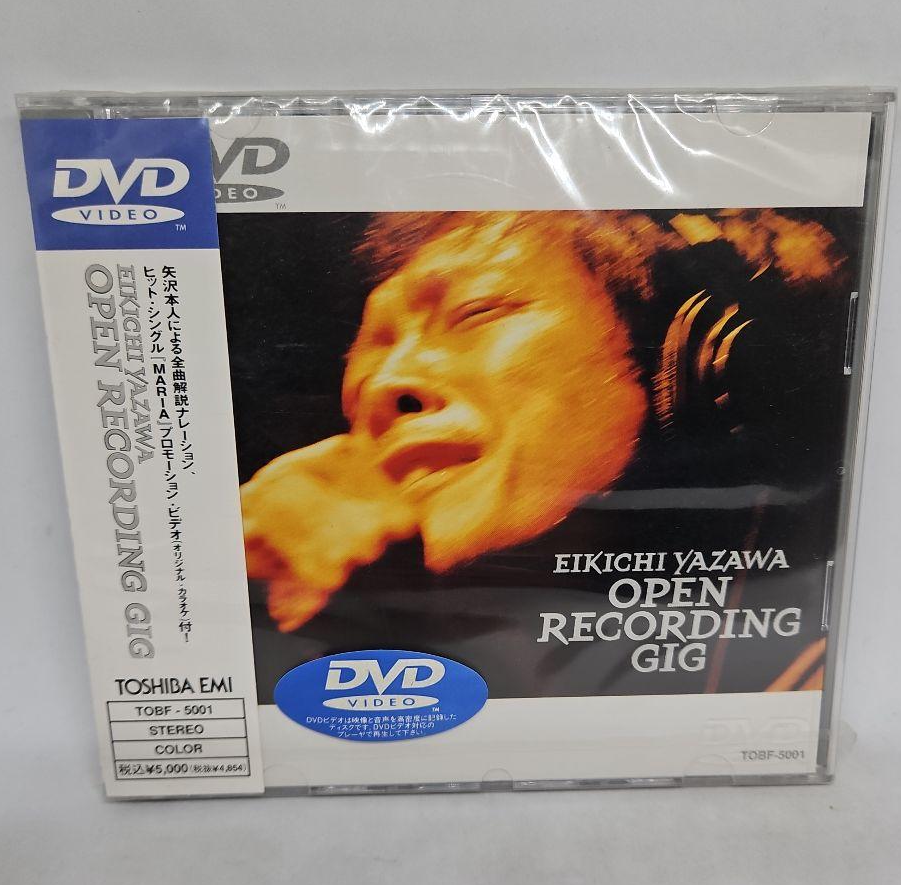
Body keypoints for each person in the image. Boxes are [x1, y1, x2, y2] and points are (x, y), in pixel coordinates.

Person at [239, 209, 846, 697]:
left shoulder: (828, 671)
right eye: (370, 349)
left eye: (477, 313)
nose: (384, 384)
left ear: (682, 358)